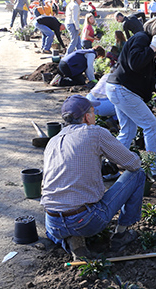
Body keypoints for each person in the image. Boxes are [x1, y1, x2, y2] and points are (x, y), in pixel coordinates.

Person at [41, 95, 146, 258]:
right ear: (86, 117)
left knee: (64, 214)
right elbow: (133, 164)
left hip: (53, 224)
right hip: (86, 221)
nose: (95, 115)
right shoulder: (95, 133)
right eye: (93, 111)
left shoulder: (53, 141)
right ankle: (121, 235)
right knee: (138, 174)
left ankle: (71, 241)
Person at [106, 15, 156, 178]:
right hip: (122, 89)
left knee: (128, 130)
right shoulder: (142, 39)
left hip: (120, 88)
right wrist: (152, 48)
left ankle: (108, 166)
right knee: (150, 125)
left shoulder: (149, 44)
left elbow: (144, 73)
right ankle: (155, 168)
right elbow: (135, 63)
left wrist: (155, 84)